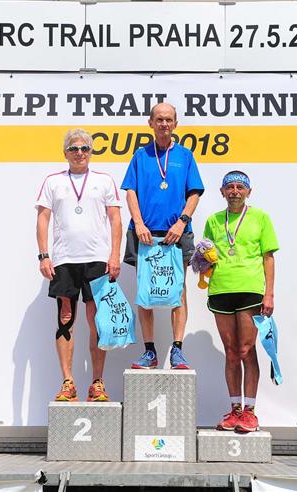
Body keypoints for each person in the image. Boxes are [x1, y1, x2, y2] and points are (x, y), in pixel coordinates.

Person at [36, 129, 122, 402]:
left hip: (97, 259)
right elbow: (43, 219)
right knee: (65, 319)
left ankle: (97, 382)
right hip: (64, 260)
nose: (79, 153)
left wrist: (115, 255)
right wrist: (44, 255)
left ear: (91, 152)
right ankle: (68, 382)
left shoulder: (104, 180)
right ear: (65, 153)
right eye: (74, 148)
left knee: (97, 320)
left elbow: (115, 219)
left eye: (84, 148)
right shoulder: (53, 181)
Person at [121, 103, 204, 370]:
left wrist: (182, 222)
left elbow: (194, 193)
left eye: (169, 119)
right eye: (159, 119)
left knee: (179, 289)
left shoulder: (185, 156)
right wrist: (138, 223)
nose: (164, 124)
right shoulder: (140, 155)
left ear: (176, 124)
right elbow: (130, 191)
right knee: (145, 290)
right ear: (151, 123)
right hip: (144, 234)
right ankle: (149, 352)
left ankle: (177, 350)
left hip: (176, 233)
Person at [203, 171, 278, 433]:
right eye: (230, 187)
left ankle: (250, 412)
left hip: (250, 290)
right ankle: (235, 410)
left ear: (248, 191)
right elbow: (206, 255)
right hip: (220, 289)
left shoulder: (260, 218)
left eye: (239, 187)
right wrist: (202, 260)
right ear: (222, 192)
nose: (235, 191)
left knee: (247, 349)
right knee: (231, 351)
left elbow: (268, 257)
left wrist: (269, 294)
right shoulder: (213, 220)